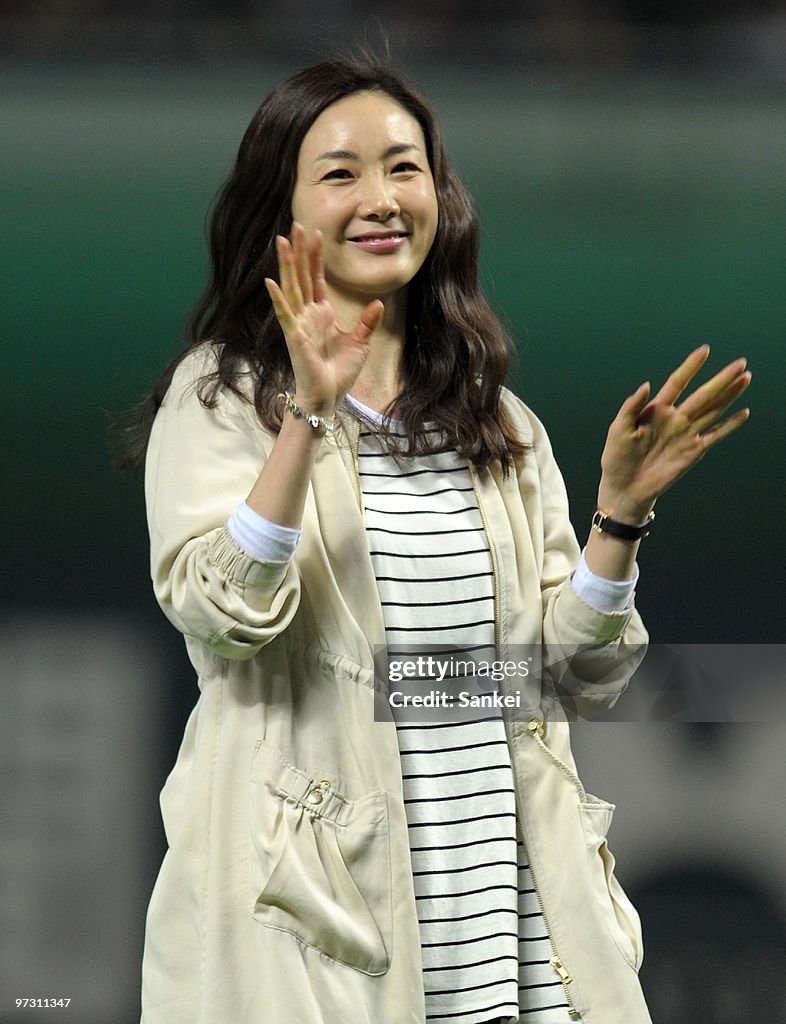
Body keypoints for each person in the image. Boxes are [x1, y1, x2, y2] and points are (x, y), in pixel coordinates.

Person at [133, 56, 751, 1024]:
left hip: (516, 928)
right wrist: (309, 413)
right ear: (280, 211)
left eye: (404, 167)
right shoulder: (223, 400)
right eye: (340, 174)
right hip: (330, 926)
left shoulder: (496, 419)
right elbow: (225, 617)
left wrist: (619, 515)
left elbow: (568, 683)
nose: (381, 199)